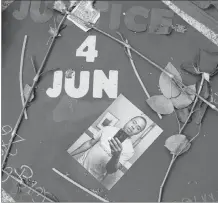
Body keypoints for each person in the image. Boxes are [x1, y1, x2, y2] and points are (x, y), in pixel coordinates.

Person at [68, 116, 147, 182]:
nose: (133, 127)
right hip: (79, 164)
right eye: (134, 122)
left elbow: (110, 170)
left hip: (93, 179)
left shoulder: (130, 151)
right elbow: (89, 143)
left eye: (138, 128)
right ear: (129, 120)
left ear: (137, 133)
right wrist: (70, 154)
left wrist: (116, 156)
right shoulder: (108, 129)